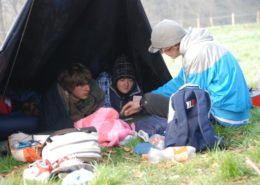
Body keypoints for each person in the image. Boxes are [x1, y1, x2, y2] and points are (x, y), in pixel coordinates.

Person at [121, 19, 252, 127]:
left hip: (224, 117)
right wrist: (143, 98)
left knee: (151, 102)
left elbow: (193, 96)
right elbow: (178, 83)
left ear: (170, 46)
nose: (163, 54)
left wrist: (146, 102)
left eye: (162, 51)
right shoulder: (199, 47)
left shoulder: (196, 54)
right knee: (150, 99)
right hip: (238, 114)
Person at [40, 63, 104, 131]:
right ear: (69, 85)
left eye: (87, 83)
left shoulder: (95, 97)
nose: (88, 88)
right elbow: (51, 128)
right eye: (81, 85)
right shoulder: (55, 100)